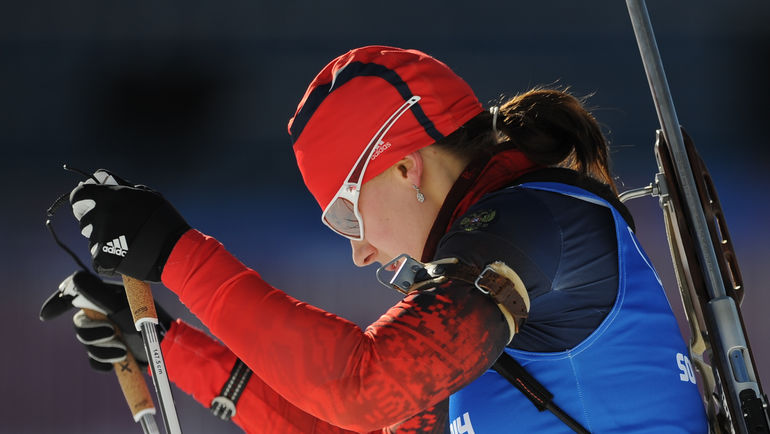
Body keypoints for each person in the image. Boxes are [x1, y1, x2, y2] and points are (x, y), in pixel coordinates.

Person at [49, 45, 708, 433]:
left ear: (403, 166)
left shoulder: (533, 222)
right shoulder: (496, 268)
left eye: (346, 216)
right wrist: (163, 343)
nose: (359, 250)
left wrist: (174, 253)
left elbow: (363, 389)